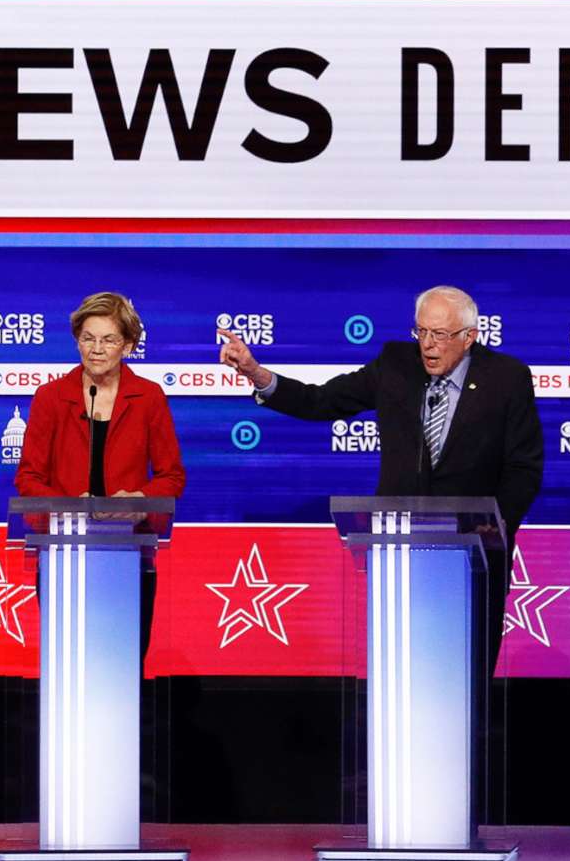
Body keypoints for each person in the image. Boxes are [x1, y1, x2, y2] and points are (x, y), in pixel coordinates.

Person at [217, 285, 541, 677]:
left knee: (467, 675)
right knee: (401, 670)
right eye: (421, 331)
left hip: (475, 557)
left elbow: (524, 466)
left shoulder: (506, 377)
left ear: (469, 336)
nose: (428, 345)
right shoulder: (395, 364)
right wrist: (257, 373)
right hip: (400, 551)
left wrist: (497, 523)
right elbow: (322, 401)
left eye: (440, 335)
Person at [14, 291, 186, 656]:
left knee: (122, 658)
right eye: (87, 339)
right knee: (69, 658)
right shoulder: (51, 397)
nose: (96, 349)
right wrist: (67, 508)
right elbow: (28, 478)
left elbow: (171, 476)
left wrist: (139, 504)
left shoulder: (149, 397)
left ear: (127, 346)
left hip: (130, 550)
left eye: (108, 340)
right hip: (63, 551)